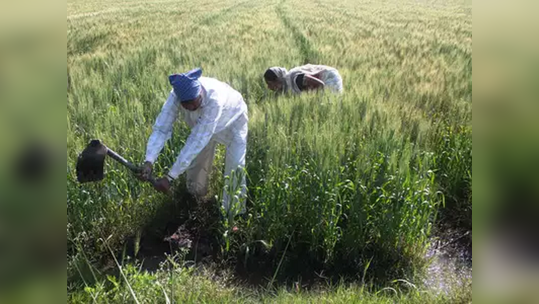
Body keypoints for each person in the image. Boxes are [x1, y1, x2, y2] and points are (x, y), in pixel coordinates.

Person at [139, 67, 248, 215]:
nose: (191, 107)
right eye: (186, 104)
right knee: (197, 163)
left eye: (194, 102)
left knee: (235, 165)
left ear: (200, 93)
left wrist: (169, 177)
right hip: (202, 126)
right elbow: (161, 129)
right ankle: (195, 199)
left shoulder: (214, 99)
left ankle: (233, 214)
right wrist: (149, 160)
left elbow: (197, 140)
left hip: (233, 120)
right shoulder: (175, 97)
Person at [264, 64, 343, 94]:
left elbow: (320, 84)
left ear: (278, 80)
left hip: (329, 78)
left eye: (270, 84)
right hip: (323, 81)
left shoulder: (296, 79)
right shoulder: (285, 86)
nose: (268, 87)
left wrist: (320, 96)